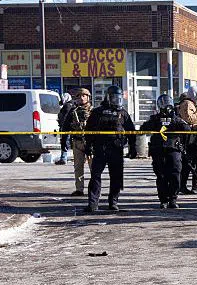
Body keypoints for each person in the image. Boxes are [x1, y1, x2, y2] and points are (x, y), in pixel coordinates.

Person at [84, 85, 136, 213]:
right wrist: (88, 146)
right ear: (108, 97)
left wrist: (132, 148)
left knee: (116, 177)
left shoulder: (122, 113)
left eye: (119, 98)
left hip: (116, 148)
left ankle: (113, 202)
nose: (117, 101)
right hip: (100, 148)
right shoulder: (98, 112)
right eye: (114, 98)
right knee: (95, 176)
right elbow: (89, 130)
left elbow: (131, 131)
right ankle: (93, 203)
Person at [141, 94, 191, 209]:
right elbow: (144, 128)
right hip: (158, 150)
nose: (165, 107)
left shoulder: (176, 118)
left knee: (175, 174)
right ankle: (163, 200)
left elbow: (187, 129)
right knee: (161, 176)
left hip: (173, 150)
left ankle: (173, 199)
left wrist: (174, 121)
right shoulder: (155, 119)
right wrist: (156, 122)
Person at [61, 88, 92, 196]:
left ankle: (95, 189)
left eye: (84, 96)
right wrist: (63, 142)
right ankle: (79, 189)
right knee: (78, 167)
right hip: (77, 142)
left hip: (91, 143)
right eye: (79, 96)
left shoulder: (94, 111)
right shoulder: (73, 111)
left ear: (88, 97)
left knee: (94, 168)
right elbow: (65, 127)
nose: (81, 98)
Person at [177, 91, 197, 194]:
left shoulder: (192, 104)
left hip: (194, 137)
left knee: (196, 161)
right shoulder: (187, 103)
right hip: (190, 138)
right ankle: (185, 186)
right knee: (190, 162)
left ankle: (194, 184)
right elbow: (189, 119)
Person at [55, 91, 75, 165]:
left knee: (64, 142)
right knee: (68, 142)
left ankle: (63, 158)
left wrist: (62, 125)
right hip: (69, 127)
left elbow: (65, 117)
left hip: (66, 127)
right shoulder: (71, 104)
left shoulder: (67, 106)